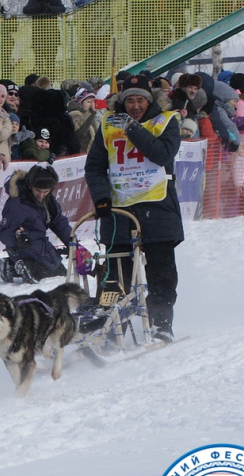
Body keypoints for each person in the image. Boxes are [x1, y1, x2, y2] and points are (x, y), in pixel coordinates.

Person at [85, 74, 183, 343]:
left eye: (140, 100)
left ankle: (162, 324)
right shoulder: (107, 124)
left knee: (161, 273)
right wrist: (101, 198)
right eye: (130, 101)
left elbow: (162, 154)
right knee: (116, 276)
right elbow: (94, 166)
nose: (135, 106)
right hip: (119, 211)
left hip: (158, 206)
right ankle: (114, 330)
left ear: (149, 100)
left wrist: (132, 128)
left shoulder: (166, 121)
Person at [0, 164, 74, 284]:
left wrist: (74, 245)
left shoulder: (49, 201)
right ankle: (21, 267)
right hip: (22, 246)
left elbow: (60, 224)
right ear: (30, 186)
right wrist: (16, 236)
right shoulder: (18, 203)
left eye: (46, 191)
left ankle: (12, 267)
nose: (41, 195)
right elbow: (3, 233)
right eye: (38, 190)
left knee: (60, 271)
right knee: (51, 275)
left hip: (40, 245)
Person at [69, 88, 99, 153]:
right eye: (89, 102)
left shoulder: (89, 114)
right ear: (81, 103)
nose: (92, 104)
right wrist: (91, 112)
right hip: (81, 154)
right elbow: (79, 131)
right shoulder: (74, 113)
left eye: (93, 102)